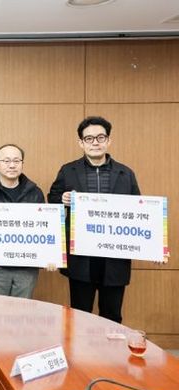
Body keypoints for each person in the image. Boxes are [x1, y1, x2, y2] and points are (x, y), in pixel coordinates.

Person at [48, 116, 140, 323]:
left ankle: (109, 345)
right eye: (89, 139)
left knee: (112, 316)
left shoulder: (126, 173)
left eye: (100, 137)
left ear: (108, 140)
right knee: (80, 315)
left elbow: (140, 212)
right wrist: (61, 199)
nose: (95, 143)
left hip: (115, 256)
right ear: (81, 143)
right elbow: (52, 200)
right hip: (81, 257)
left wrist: (154, 246)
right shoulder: (68, 170)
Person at [0, 144, 47, 299]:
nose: (12, 165)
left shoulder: (35, 193)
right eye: (6, 161)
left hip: (26, 267)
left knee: (22, 310)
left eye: (16, 161)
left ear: (22, 163)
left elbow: (44, 228)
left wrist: (49, 256)